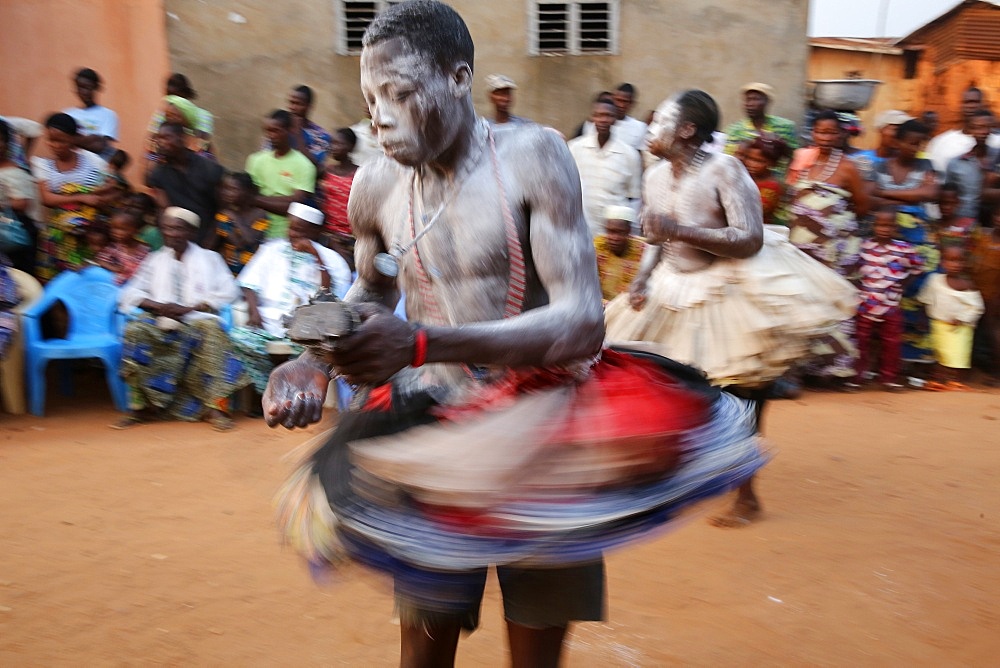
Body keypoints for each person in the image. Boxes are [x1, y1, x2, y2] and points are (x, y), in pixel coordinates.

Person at [263, 4, 765, 666]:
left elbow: (583, 321)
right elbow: (374, 288)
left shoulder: (533, 156)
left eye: (401, 94)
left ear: (457, 77)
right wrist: (313, 359)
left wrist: (419, 344)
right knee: (423, 647)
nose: (380, 116)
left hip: (544, 432)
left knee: (534, 651)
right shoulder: (374, 183)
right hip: (430, 430)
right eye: (369, 98)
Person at [605, 90, 856, 527]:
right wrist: (642, 279)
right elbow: (655, 237)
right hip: (673, 286)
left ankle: (746, 493)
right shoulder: (654, 175)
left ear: (687, 130)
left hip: (731, 285)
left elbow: (749, 237)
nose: (650, 129)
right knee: (659, 377)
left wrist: (679, 229)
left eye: (660, 121)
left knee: (741, 389)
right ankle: (675, 475)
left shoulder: (726, 168)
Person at [117, 207, 248, 431]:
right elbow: (129, 293)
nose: (172, 233)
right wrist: (158, 306)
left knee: (211, 330)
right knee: (135, 330)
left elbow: (230, 291)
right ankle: (141, 408)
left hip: (196, 319)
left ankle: (216, 408)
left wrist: (190, 308)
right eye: (167, 228)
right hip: (161, 320)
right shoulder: (155, 260)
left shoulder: (210, 258)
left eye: (178, 229)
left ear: (190, 232)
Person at [231, 203, 350, 398]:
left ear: (315, 231)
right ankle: (267, 393)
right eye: (291, 227)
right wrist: (254, 312)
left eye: (300, 230)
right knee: (240, 338)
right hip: (268, 323)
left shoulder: (332, 259)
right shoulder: (272, 249)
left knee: (317, 353)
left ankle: (293, 396)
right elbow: (248, 284)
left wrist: (316, 257)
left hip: (306, 331)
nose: (293, 234)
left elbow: (329, 296)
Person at [786, 109, 868, 384]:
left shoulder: (847, 166)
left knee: (836, 303)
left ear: (841, 134)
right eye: (821, 131)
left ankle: (834, 371)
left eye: (832, 132)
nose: (826, 137)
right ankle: (806, 367)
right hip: (801, 250)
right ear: (813, 133)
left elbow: (862, 205)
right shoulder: (801, 161)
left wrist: (830, 226)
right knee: (805, 302)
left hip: (836, 251)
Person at [847, 208, 923, 391]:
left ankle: (889, 378)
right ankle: (857, 377)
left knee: (892, 342)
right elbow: (854, 270)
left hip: (891, 305)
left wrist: (903, 285)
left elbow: (918, 267)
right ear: (874, 226)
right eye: (881, 224)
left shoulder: (903, 249)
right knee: (861, 341)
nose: (884, 228)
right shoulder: (864, 246)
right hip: (866, 304)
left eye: (889, 225)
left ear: (895, 227)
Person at [31, 113, 113, 282]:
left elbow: (110, 186)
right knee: (63, 233)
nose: (54, 145)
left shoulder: (92, 161)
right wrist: (82, 197)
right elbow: (47, 199)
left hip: (92, 222)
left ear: (73, 139)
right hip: (60, 226)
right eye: (50, 140)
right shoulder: (43, 165)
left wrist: (93, 196)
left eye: (61, 140)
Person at [568, 97, 642, 237]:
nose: (603, 120)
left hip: (613, 237)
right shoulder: (575, 148)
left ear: (615, 119)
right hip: (582, 230)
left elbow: (634, 199)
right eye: (599, 115)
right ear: (592, 117)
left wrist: (632, 234)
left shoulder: (629, 155)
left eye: (608, 115)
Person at [147, 121, 225, 247]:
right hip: (179, 241)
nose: (160, 143)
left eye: (166, 137)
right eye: (158, 139)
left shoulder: (209, 169)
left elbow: (223, 210)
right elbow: (163, 210)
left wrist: (209, 244)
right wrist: (168, 240)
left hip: (210, 239)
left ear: (181, 138)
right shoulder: (159, 174)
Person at [919, 245, 985, 390]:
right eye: (950, 260)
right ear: (942, 262)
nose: (955, 265)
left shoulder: (967, 284)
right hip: (939, 325)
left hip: (960, 328)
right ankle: (939, 380)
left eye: (959, 261)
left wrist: (962, 318)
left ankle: (955, 380)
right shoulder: (934, 280)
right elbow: (926, 299)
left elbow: (977, 307)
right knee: (941, 353)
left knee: (958, 354)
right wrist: (923, 318)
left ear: (965, 263)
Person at [245, 110, 317, 240]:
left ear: (289, 131)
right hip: (255, 232)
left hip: (285, 236)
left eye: (275, 131)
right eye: (267, 131)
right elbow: (247, 199)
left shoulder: (304, 165)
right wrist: (282, 201)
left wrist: (256, 200)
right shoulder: (255, 160)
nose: (270, 135)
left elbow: (295, 206)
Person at [723, 82, 797, 178]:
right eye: (747, 100)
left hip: (777, 181)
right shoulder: (735, 130)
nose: (749, 104)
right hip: (745, 180)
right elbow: (729, 159)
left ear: (767, 101)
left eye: (755, 99)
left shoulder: (784, 126)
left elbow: (794, 157)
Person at [145, 73, 214, 173]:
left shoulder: (203, 116)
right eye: (169, 97)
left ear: (185, 95)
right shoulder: (162, 114)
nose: (172, 102)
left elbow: (202, 145)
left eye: (177, 97)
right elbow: (152, 141)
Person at [944, 110, 1000, 226]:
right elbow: (947, 196)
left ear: (992, 129)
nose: (983, 132)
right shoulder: (956, 163)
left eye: (987, 127)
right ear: (970, 130)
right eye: (978, 127)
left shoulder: (998, 158)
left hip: (994, 226)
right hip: (964, 225)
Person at [927, 86, 1000, 174]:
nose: (971, 106)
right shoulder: (940, 141)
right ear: (960, 106)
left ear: (984, 105)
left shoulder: (997, 142)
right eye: (967, 102)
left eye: (976, 102)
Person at [0, 119, 40, 275]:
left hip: (14, 234)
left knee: (17, 281)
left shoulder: (15, 171)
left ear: (7, 143)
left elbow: (22, 204)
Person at [319, 127, 360, 269]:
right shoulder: (326, 171)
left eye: (338, 144)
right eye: (332, 143)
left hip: (351, 237)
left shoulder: (360, 174)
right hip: (327, 235)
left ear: (351, 147)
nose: (333, 147)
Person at [213, 172, 269, 276]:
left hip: (253, 272)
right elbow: (238, 244)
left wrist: (234, 217)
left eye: (233, 189)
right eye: (225, 189)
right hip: (230, 272)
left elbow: (249, 240)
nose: (227, 193)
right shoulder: (223, 215)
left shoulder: (260, 214)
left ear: (247, 192)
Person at [62, 68, 119, 161]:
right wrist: (92, 138)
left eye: (88, 87)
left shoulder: (108, 115)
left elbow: (99, 146)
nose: (84, 92)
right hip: (72, 168)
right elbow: (62, 143)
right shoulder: (67, 114)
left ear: (97, 88)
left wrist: (71, 139)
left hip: (97, 169)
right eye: (80, 87)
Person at [273, 85, 332, 172]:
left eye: (297, 104)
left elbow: (314, 167)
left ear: (309, 106)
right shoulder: (279, 130)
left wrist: (297, 134)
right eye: (291, 103)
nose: (292, 108)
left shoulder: (321, 136)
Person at [971, 209, 1000, 384]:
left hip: (994, 294)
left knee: (992, 329)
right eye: (997, 214)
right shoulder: (983, 235)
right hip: (976, 289)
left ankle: (997, 369)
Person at [594, 205, 644, 302]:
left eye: (620, 232)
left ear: (629, 231)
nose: (614, 238)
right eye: (610, 232)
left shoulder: (643, 251)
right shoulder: (597, 247)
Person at [737, 134, 790, 226]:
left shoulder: (772, 186)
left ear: (773, 164)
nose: (751, 164)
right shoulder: (745, 177)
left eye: (759, 161)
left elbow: (754, 211)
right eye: (749, 158)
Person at [95, 209, 149, 285]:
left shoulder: (145, 249)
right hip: (118, 286)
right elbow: (100, 260)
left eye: (122, 229)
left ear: (137, 231)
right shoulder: (113, 247)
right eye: (113, 228)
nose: (115, 232)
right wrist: (114, 268)